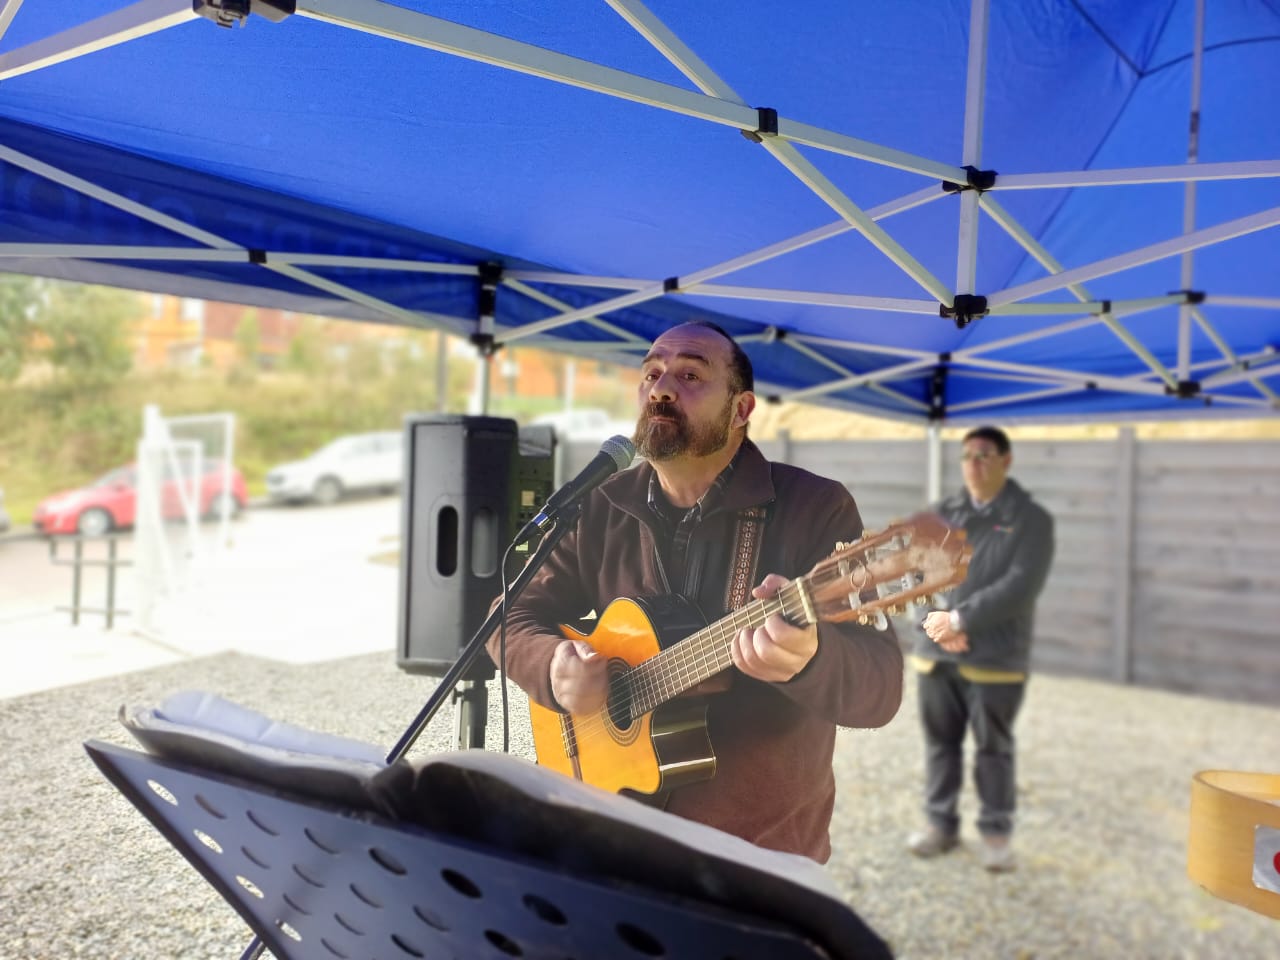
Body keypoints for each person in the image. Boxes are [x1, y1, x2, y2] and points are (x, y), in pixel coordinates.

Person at [489, 320, 904, 863]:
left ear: (741, 409)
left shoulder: (813, 508)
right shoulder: (602, 504)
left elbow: (881, 688)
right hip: (615, 835)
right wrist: (552, 667)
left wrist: (811, 660)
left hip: (759, 855)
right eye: (651, 374)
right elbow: (508, 615)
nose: (661, 389)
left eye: (689, 375)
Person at [906, 426, 1054, 872]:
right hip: (937, 655)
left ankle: (995, 834)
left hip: (995, 658)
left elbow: (1020, 585)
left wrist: (959, 620)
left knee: (994, 748)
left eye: (985, 455)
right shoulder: (941, 514)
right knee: (940, 744)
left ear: (1006, 461)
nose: (974, 463)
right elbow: (913, 575)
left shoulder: (1031, 520)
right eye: (968, 455)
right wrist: (938, 624)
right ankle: (940, 825)